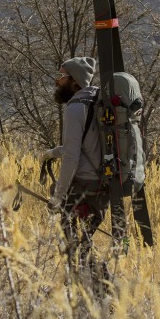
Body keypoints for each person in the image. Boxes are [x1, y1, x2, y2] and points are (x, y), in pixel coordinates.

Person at [41, 57, 110, 280]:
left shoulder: (75, 109)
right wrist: (53, 153)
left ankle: (85, 283)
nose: (56, 81)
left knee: (71, 241)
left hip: (84, 184)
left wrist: (58, 198)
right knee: (86, 242)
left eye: (61, 76)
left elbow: (72, 157)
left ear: (74, 81)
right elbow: (85, 145)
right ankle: (96, 285)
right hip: (103, 184)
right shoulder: (96, 102)